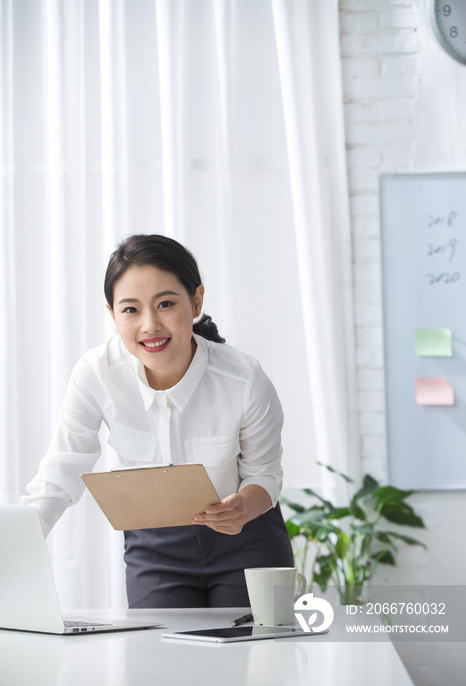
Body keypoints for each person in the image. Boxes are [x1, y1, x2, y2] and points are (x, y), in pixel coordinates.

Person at [20, 234, 294, 607]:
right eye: (130, 310)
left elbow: (265, 474)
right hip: (155, 551)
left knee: (248, 661)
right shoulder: (96, 374)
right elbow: (58, 476)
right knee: (160, 662)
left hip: (246, 540)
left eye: (165, 304)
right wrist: (16, 548)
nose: (150, 325)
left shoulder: (245, 380)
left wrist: (243, 508)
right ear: (112, 314)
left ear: (196, 301)